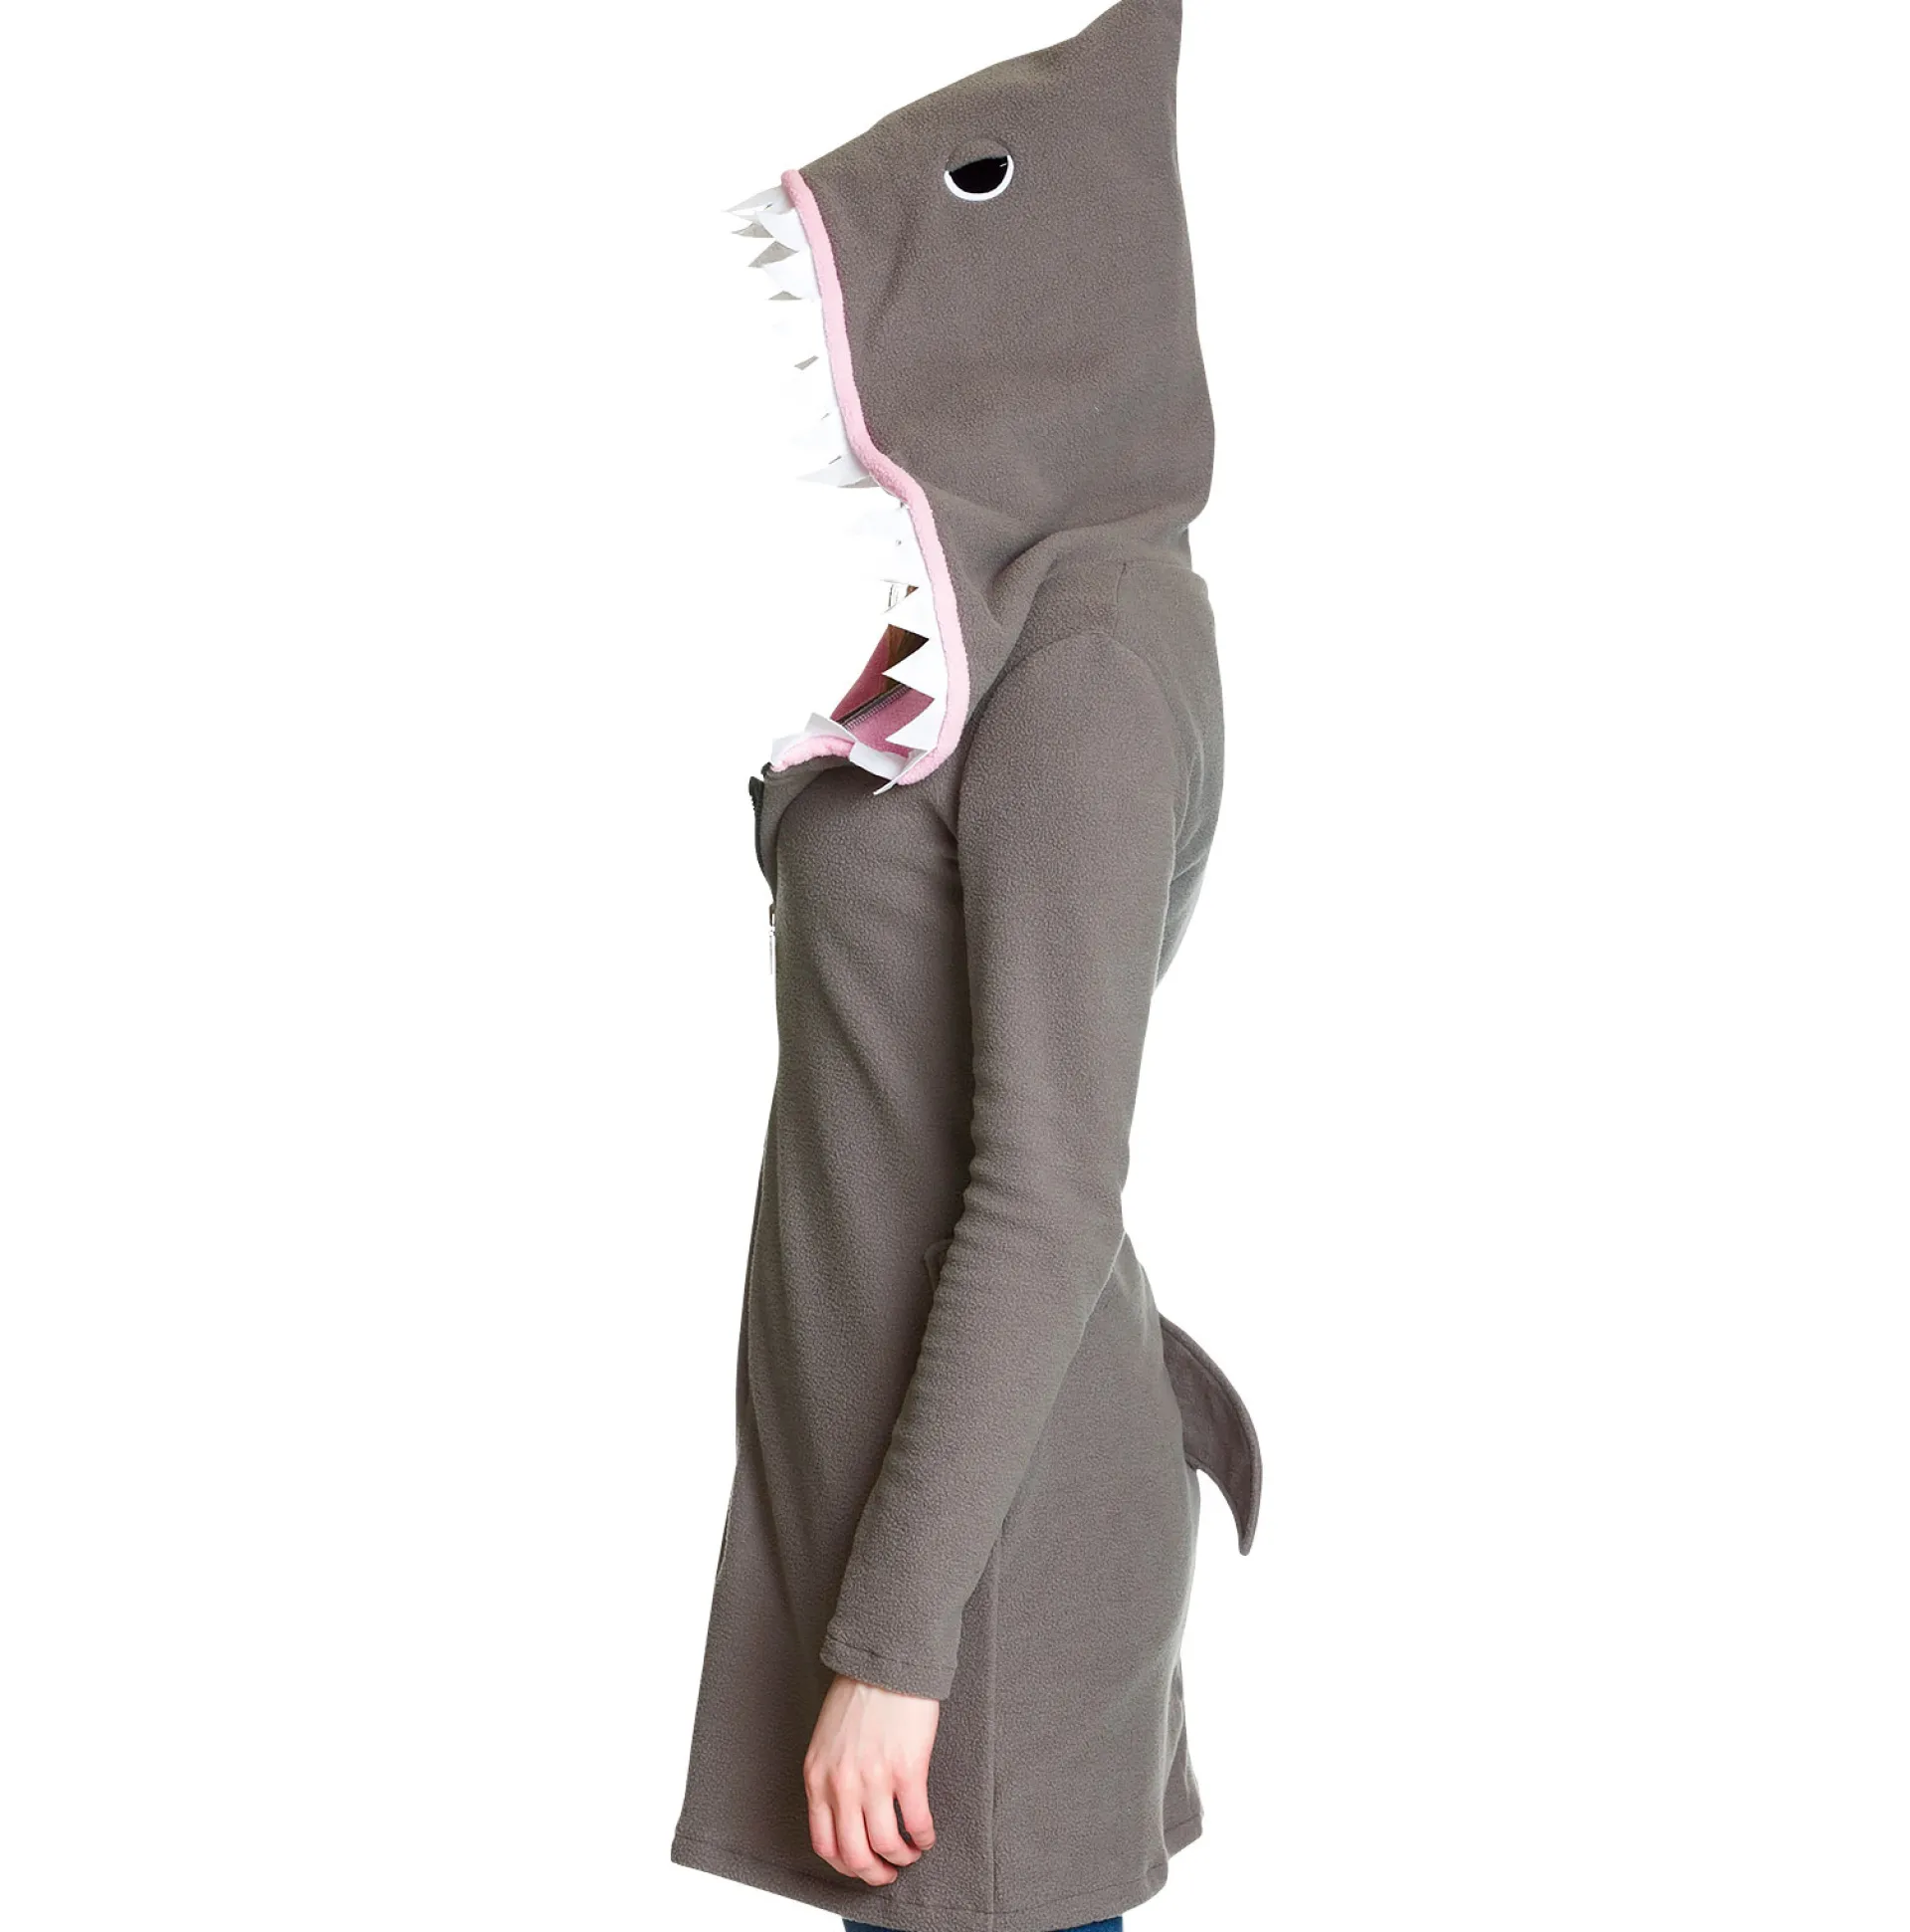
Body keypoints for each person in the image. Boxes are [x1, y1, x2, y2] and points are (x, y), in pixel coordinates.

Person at [671, 5, 1262, 1928]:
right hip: (922, 1524)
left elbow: (1045, 1182)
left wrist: (899, 1644)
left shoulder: (1085, 675)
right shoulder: (1004, 629)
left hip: (976, 1584)